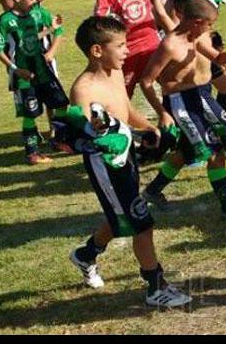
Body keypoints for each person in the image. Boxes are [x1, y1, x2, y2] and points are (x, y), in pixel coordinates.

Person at [65, 15, 192, 307]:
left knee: (122, 214)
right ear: (97, 50)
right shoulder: (84, 90)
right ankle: (155, 286)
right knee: (141, 223)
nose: (127, 51)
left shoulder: (114, 72)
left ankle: (85, 255)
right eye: (121, 46)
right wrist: (91, 131)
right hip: (107, 166)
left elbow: (124, 108)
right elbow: (80, 132)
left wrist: (148, 126)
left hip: (126, 157)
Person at [138, 0, 226, 216]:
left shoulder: (196, 37)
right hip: (181, 104)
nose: (210, 29)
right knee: (215, 152)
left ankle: (153, 190)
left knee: (196, 144)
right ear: (196, 22)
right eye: (208, 24)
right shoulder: (170, 45)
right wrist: (162, 113)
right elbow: (146, 81)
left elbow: (217, 57)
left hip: (201, 96)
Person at [0, 0, 69, 165]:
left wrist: (51, 50)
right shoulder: (6, 21)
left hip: (44, 72)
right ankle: (32, 152)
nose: (35, 0)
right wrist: (16, 69)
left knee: (62, 103)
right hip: (24, 77)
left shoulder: (40, 14)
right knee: (30, 113)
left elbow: (58, 31)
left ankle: (59, 140)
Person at [94, 0, 160, 98]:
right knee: (123, 95)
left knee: (171, 85)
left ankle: (172, 118)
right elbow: (100, 21)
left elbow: (162, 11)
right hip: (127, 52)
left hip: (153, 47)